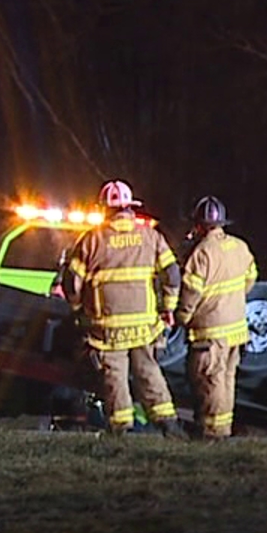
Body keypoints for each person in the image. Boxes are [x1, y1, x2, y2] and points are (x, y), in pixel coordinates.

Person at [58, 179, 184, 436]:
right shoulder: (151, 236)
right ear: (130, 207)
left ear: (104, 208)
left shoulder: (92, 240)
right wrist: (168, 308)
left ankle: (120, 429)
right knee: (149, 371)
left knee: (114, 376)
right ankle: (168, 424)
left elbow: (72, 282)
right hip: (144, 325)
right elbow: (172, 274)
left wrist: (77, 309)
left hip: (107, 328)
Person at [174, 195, 258, 441]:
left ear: (199, 225)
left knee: (209, 381)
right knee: (226, 380)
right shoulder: (240, 246)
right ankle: (223, 428)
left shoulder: (201, 253)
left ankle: (211, 433)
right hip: (236, 329)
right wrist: (232, 300)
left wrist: (182, 316)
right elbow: (250, 278)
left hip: (210, 332)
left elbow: (191, 291)